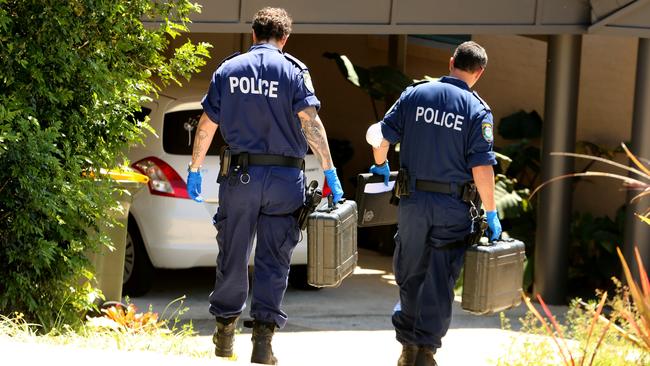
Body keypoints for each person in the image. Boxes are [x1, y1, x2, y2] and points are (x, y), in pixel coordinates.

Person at [185, 7, 343, 365]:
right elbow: (310, 124)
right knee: (275, 259)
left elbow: (208, 123)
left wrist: (195, 168)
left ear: (253, 34)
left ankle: (225, 333)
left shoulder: (229, 69)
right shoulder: (295, 71)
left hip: (241, 177)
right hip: (286, 180)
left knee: (234, 251)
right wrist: (330, 171)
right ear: (284, 39)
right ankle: (262, 342)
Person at [365, 41, 502, 366]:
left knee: (410, 272)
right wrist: (492, 213)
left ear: (452, 60)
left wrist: (381, 164)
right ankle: (425, 350)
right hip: (453, 207)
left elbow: (380, 137)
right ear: (479, 73)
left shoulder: (415, 94)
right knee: (440, 277)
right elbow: (481, 167)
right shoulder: (477, 109)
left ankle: (408, 347)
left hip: (413, 203)